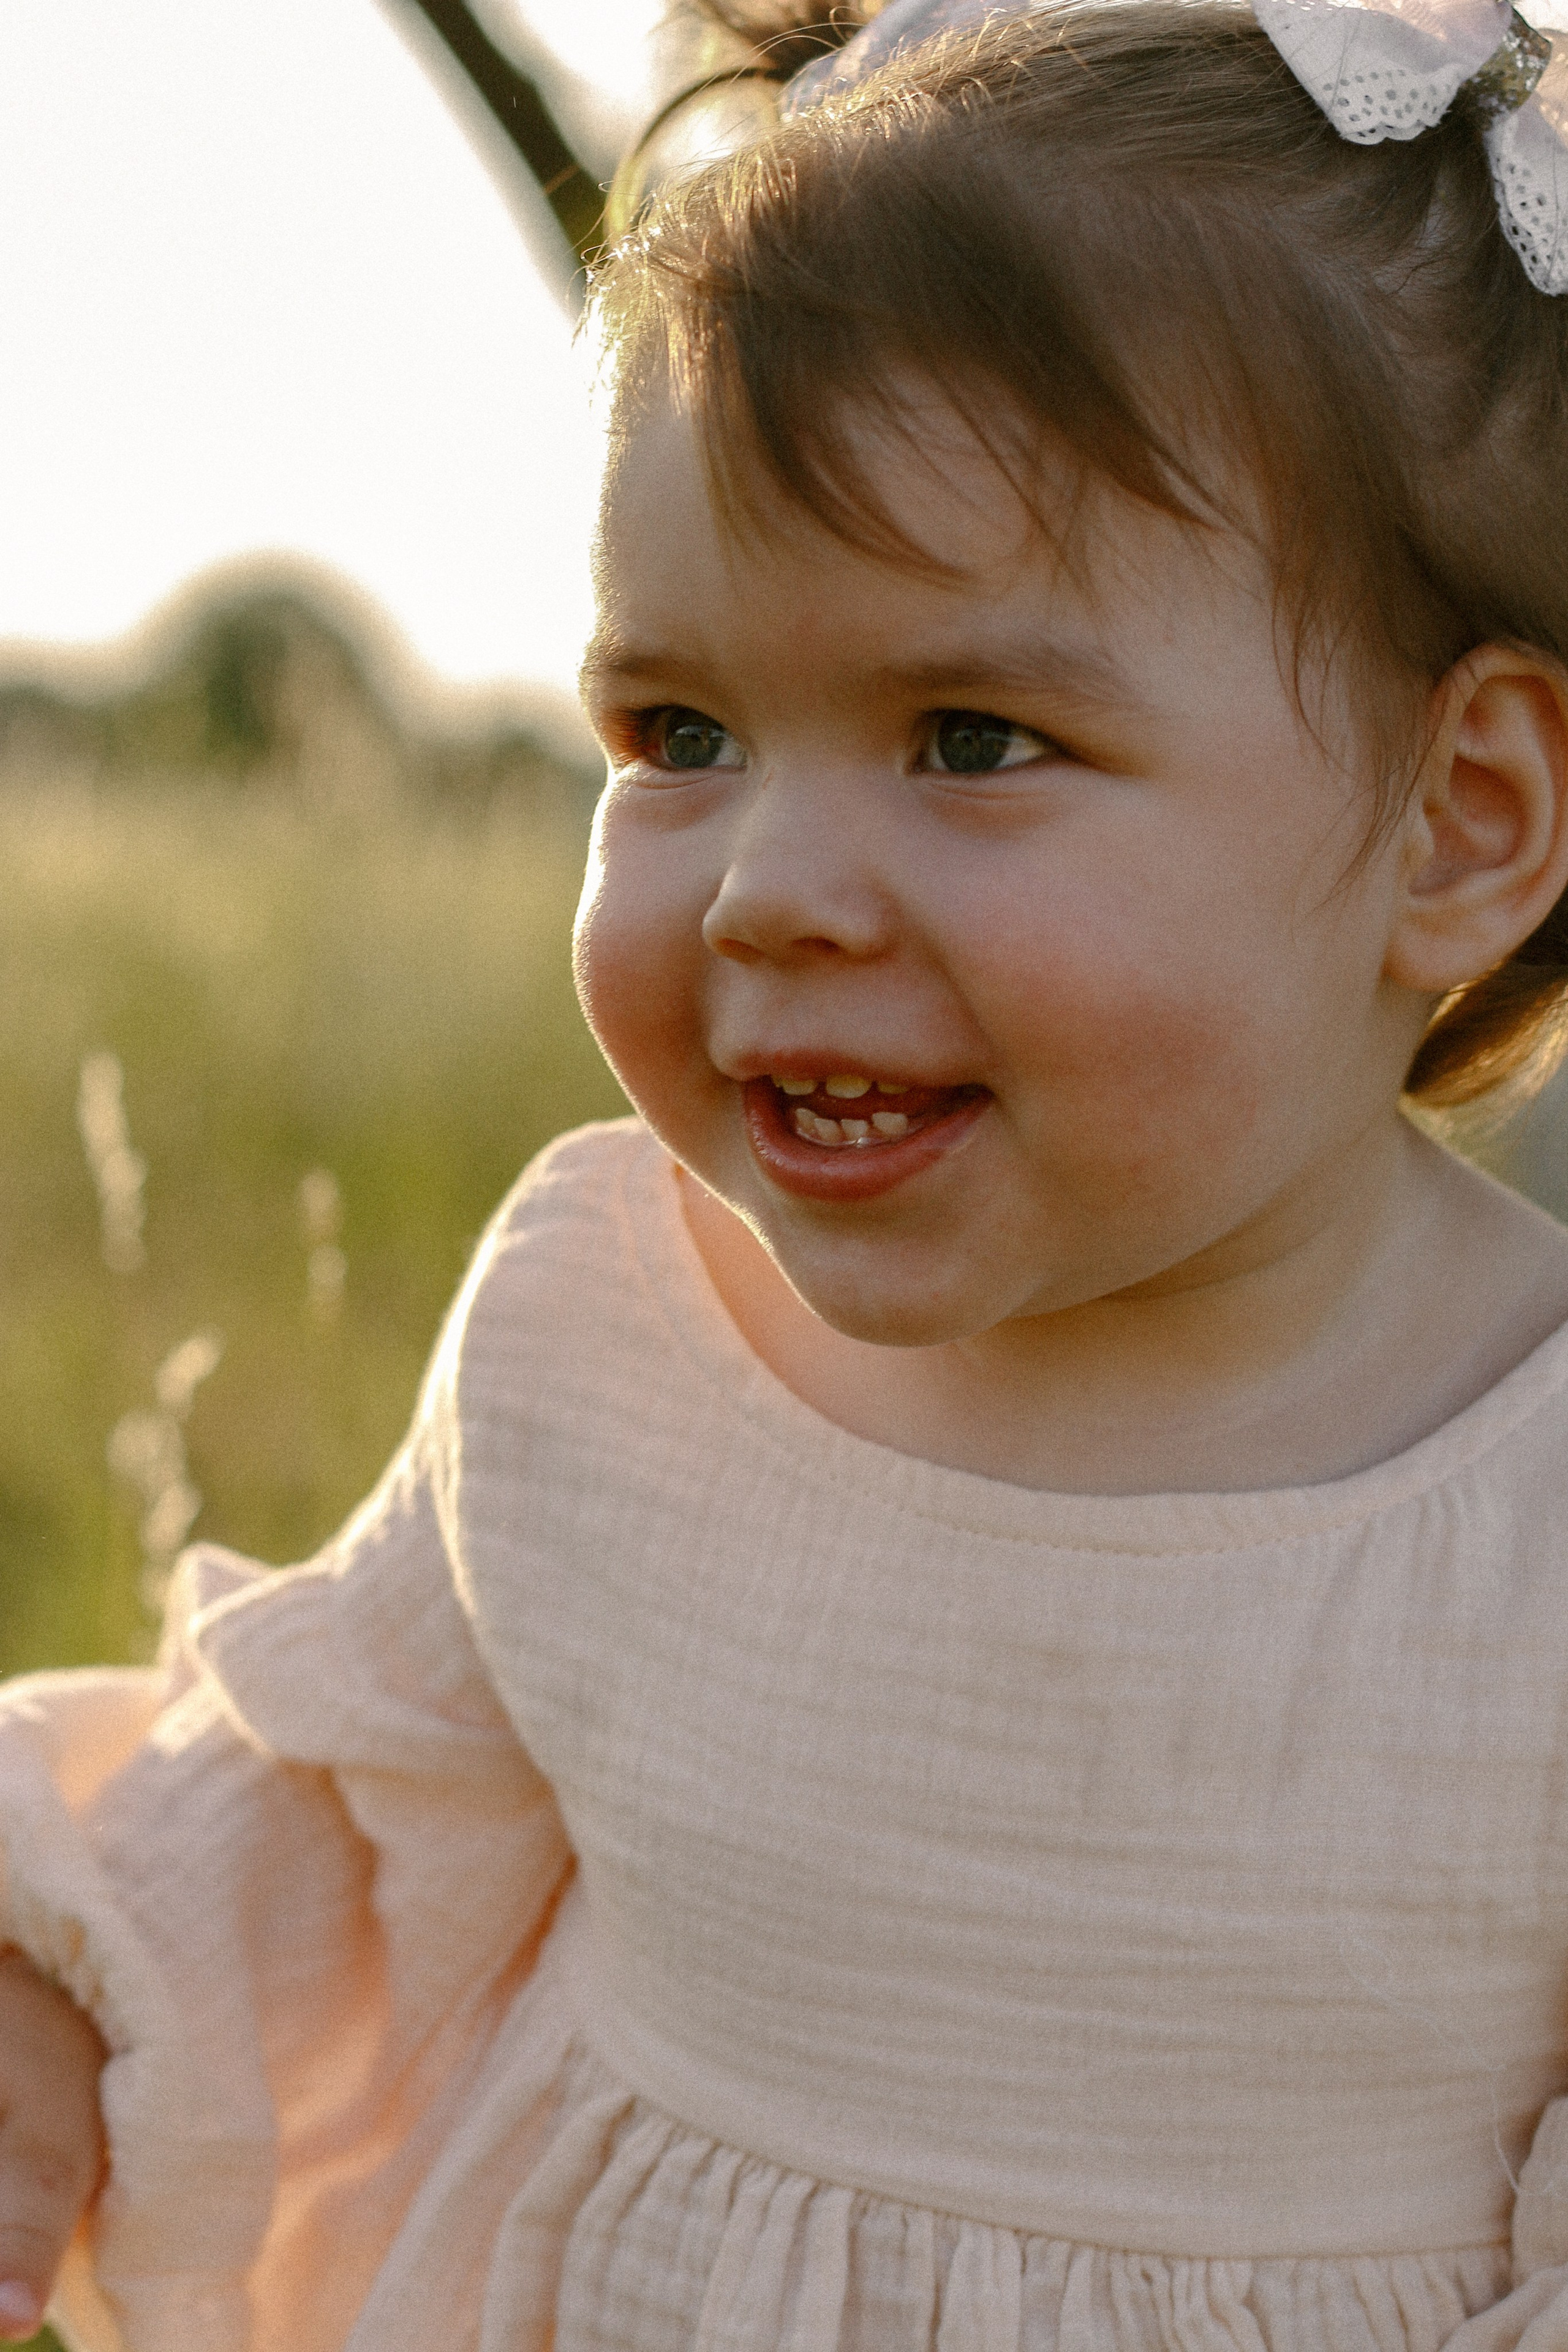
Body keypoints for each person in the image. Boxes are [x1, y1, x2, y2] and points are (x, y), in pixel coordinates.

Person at [4, 0, 1568, 2342]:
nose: (767, 889)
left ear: (1463, 823)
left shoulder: (1524, 1530)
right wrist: (52, 1994)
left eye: (971, 736)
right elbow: (318, 1812)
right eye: (680, 734)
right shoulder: (601, 1339)